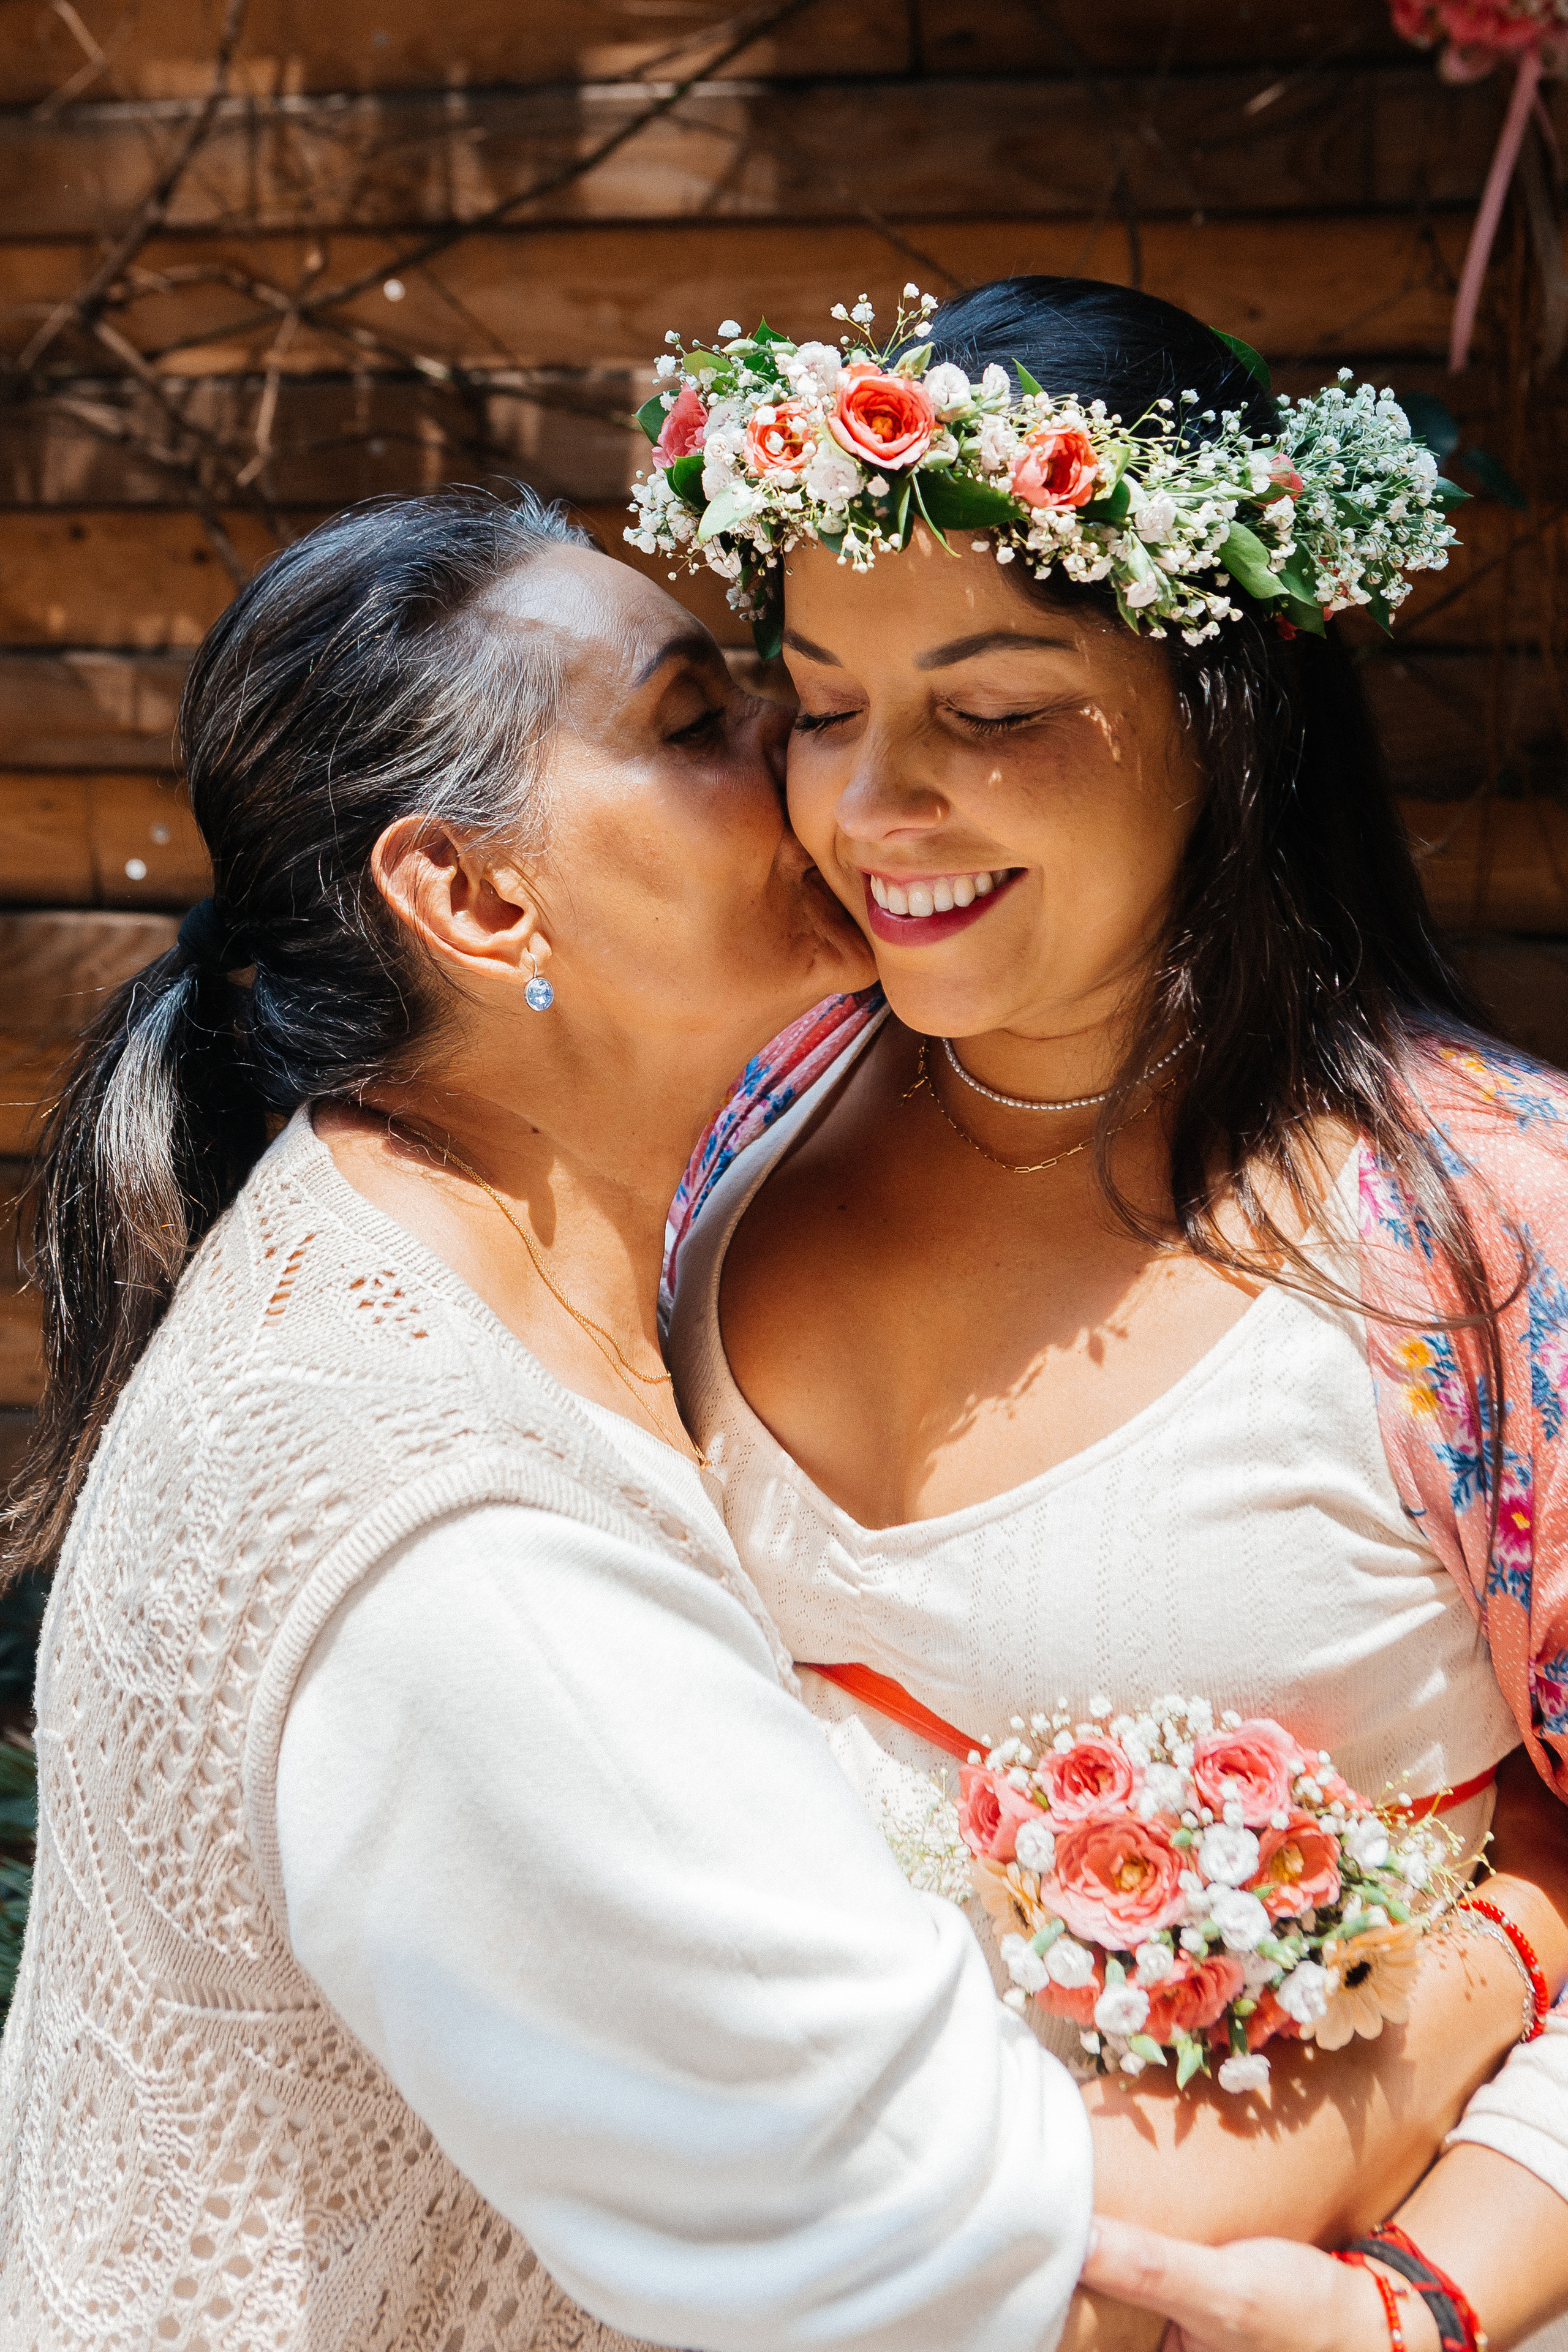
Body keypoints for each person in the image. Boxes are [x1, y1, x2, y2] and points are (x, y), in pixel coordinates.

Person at [0, 488, 1101, 2351]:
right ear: (479, 896)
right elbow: (942, 2244)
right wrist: (1487, 1997)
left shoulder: (512, 1248)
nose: (808, 753)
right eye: (697, 722)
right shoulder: (441, 1535)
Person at [650, 278, 1568, 2349]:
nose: (870, 807)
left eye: (989, 713)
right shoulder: (719, 1130)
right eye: (816, 702)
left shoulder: (1492, 1232)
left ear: (1227, 713)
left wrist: (1426, 2298)